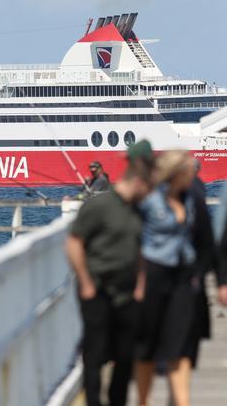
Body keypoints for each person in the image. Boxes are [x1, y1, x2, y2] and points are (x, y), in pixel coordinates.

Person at [65, 149, 153, 406]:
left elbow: (141, 249)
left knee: (125, 356)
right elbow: (74, 243)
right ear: (137, 181)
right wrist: (87, 283)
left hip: (127, 294)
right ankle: (93, 401)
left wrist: (141, 286)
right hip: (98, 291)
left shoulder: (138, 211)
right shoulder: (99, 206)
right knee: (94, 353)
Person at [134, 150, 213, 406]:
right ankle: (143, 400)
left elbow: (205, 239)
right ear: (177, 173)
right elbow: (133, 239)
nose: (194, 173)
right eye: (189, 169)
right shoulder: (147, 200)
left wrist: (199, 274)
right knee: (147, 347)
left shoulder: (193, 198)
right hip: (153, 276)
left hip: (183, 279)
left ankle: (182, 402)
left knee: (180, 345)